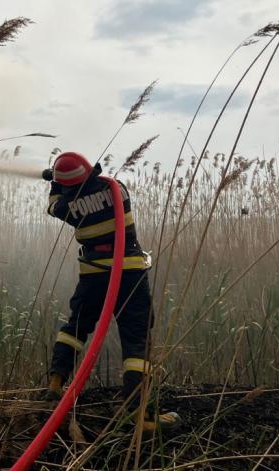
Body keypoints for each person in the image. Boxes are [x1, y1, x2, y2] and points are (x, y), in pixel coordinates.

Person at [42, 151, 179, 431]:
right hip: (129, 272)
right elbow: (97, 184)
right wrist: (78, 178)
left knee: (76, 326)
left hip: (93, 274)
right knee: (136, 338)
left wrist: (57, 184)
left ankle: (55, 384)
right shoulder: (117, 190)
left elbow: (54, 204)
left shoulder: (66, 207)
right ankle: (142, 415)